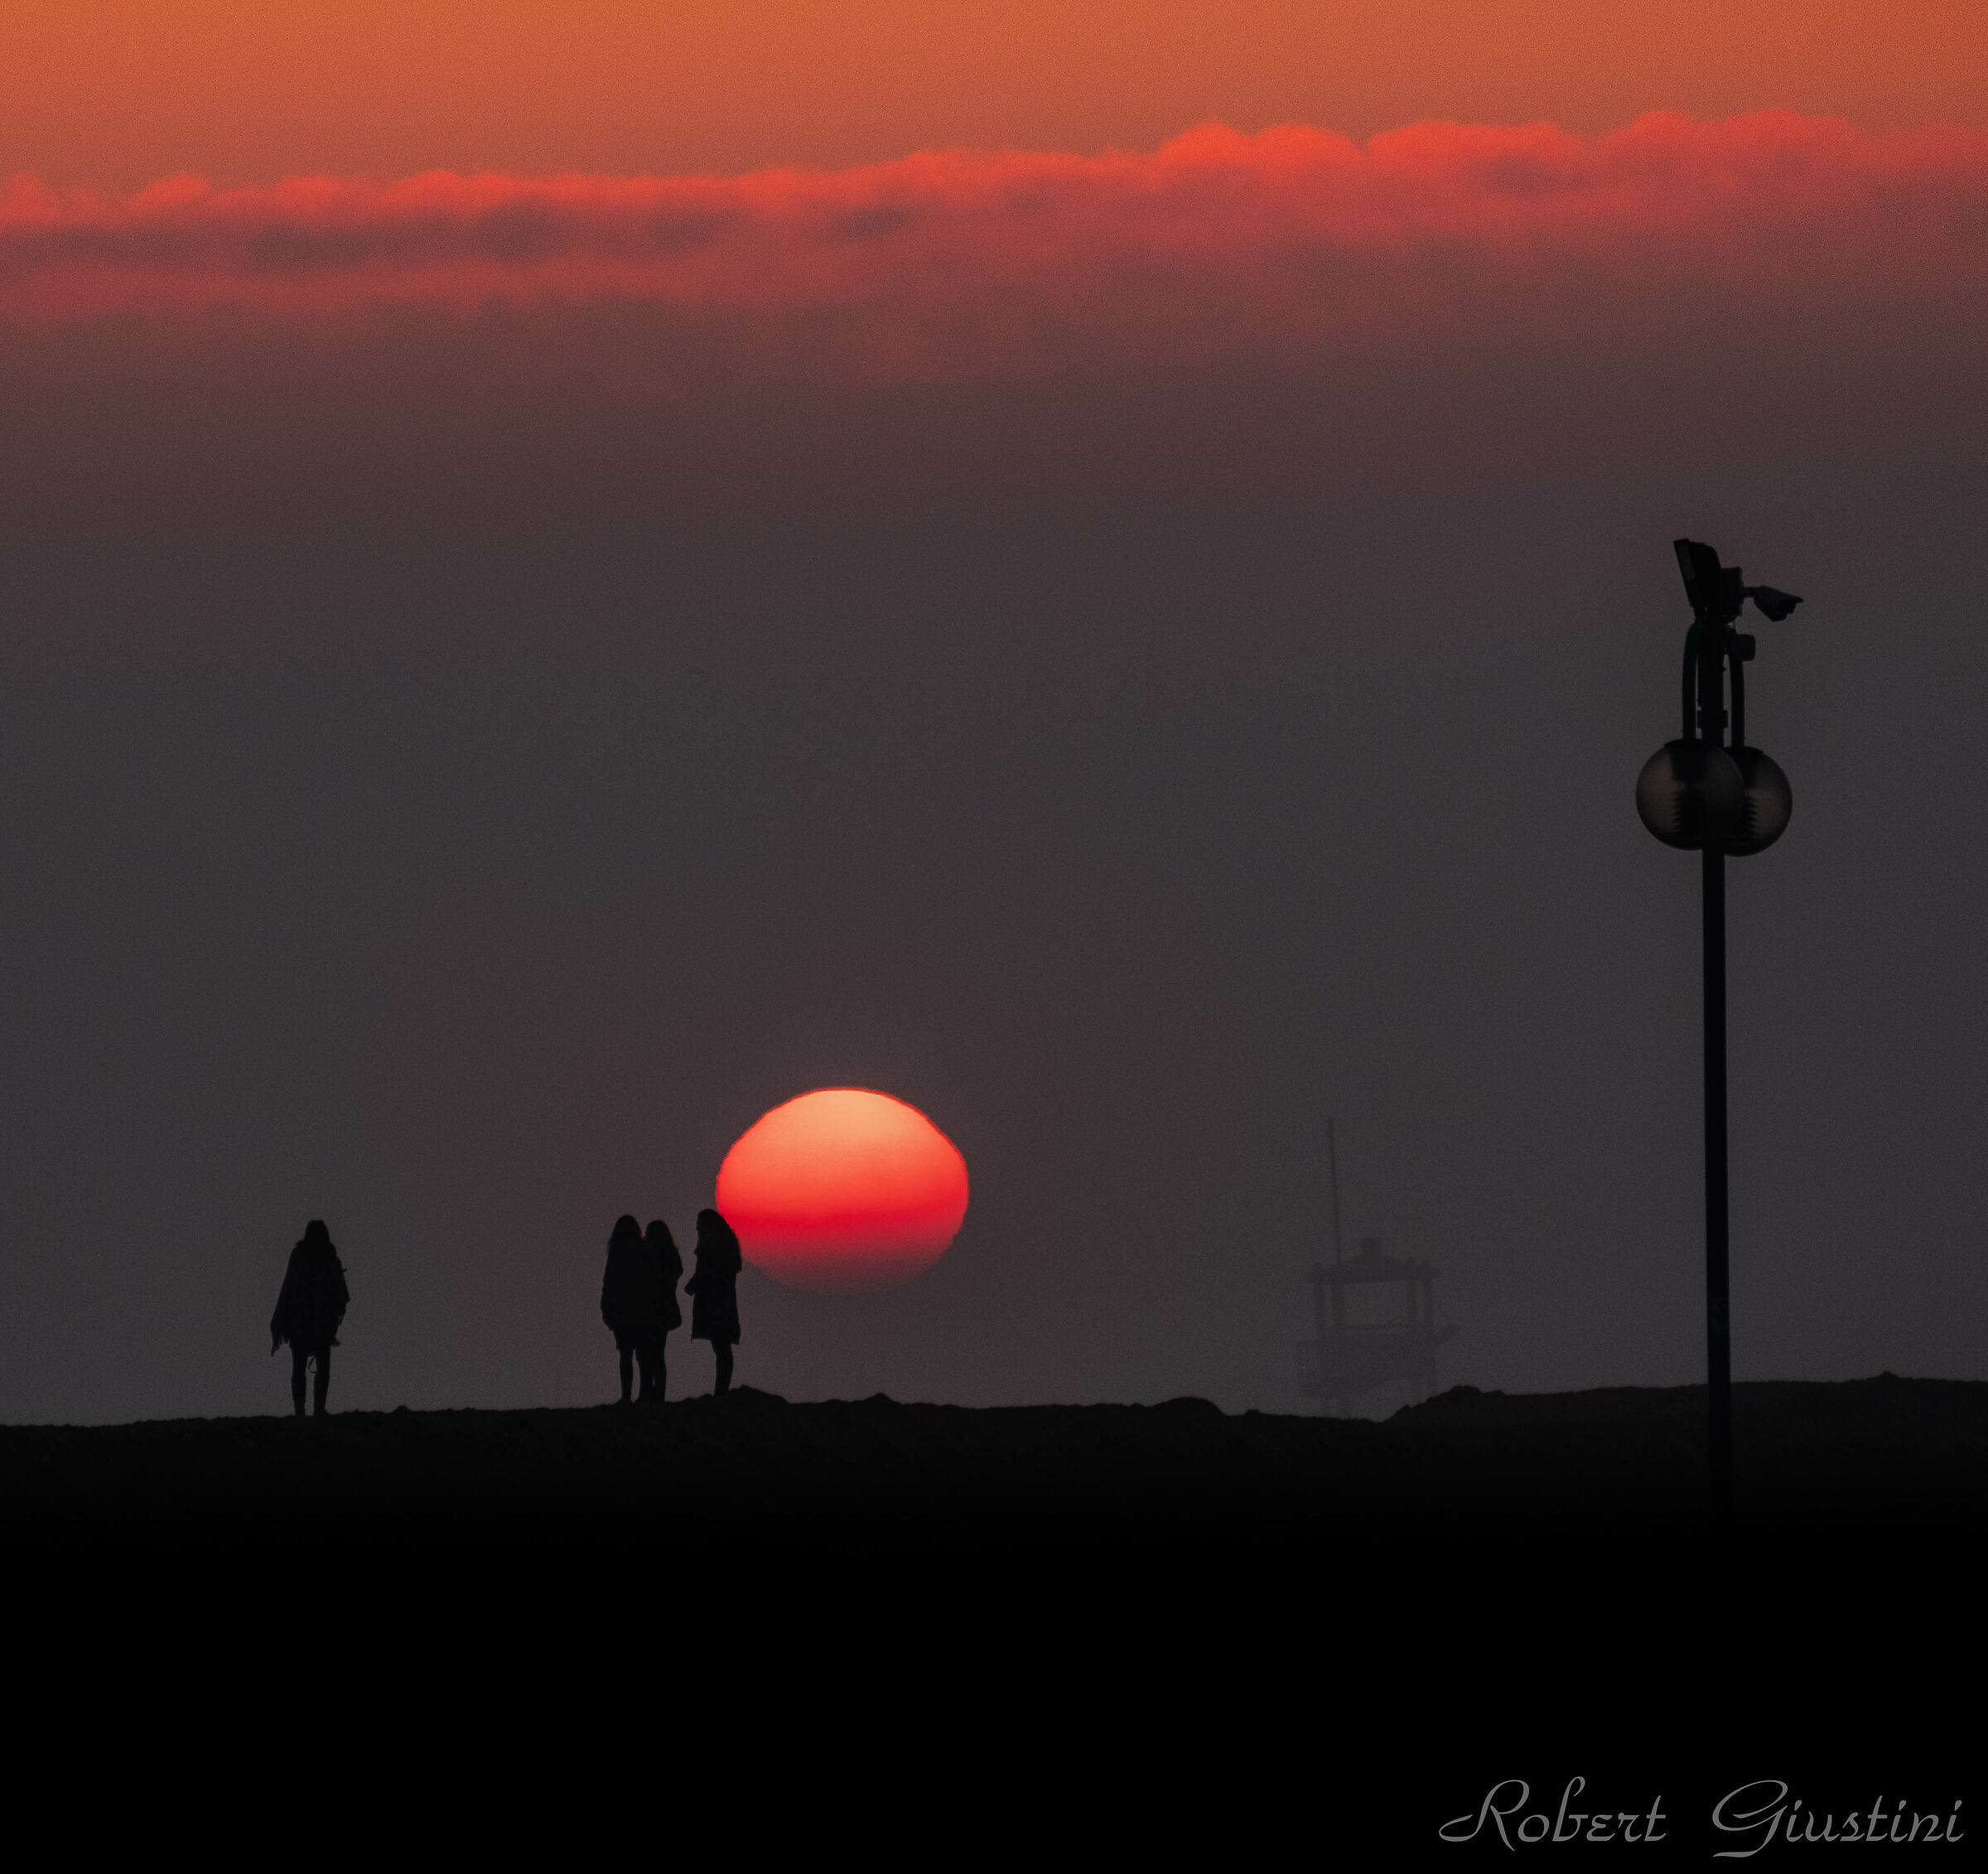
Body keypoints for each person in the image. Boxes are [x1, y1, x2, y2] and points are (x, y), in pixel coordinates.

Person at [269, 1220, 350, 1418]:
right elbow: (341, 1296)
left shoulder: (317, 1260)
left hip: (306, 1323)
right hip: (310, 1323)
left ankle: (306, 1410)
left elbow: (289, 1289)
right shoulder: (324, 1260)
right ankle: (313, 1410)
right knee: (317, 1367)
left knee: (304, 1367)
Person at [600, 1214, 680, 1404]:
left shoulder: (617, 1251)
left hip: (622, 1311)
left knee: (626, 1355)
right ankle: (646, 1394)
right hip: (644, 1310)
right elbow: (653, 1281)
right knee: (644, 1356)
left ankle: (627, 1396)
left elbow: (609, 1283)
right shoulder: (646, 1250)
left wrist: (607, 1308)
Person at [686, 1207, 743, 1395]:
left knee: (721, 1348)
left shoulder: (710, 1248)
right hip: (723, 1303)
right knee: (722, 1347)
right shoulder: (725, 1248)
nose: (697, 1230)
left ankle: (721, 1391)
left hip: (714, 1304)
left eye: (699, 1226)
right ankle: (721, 1389)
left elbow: (706, 1274)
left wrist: (693, 1285)